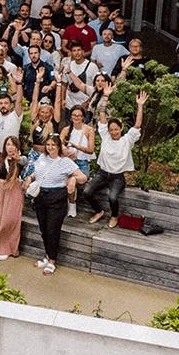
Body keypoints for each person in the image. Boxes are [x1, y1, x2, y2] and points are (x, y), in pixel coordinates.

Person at [87, 91, 148, 228]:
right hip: (102, 174)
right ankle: (99, 211)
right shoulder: (105, 137)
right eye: (111, 129)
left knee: (113, 197)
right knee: (87, 191)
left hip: (117, 177)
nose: (114, 132)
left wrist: (140, 106)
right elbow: (102, 115)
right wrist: (106, 97)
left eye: (116, 129)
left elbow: (137, 125)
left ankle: (114, 216)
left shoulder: (127, 140)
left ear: (121, 129)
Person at [29, 135, 88, 275]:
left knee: (52, 230)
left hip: (56, 198)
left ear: (59, 147)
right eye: (48, 144)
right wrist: (30, 178)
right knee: (43, 229)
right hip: (41, 197)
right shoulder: (42, 158)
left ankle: (52, 260)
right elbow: (37, 173)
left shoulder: (65, 162)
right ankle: (47, 255)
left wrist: (73, 179)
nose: (50, 147)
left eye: (53, 145)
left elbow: (83, 177)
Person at [61, 105, 96, 217]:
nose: (76, 117)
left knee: (73, 180)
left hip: (82, 163)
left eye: (79, 115)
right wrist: (67, 151)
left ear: (83, 117)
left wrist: (77, 147)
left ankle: (72, 204)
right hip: (68, 162)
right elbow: (58, 144)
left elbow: (91, 150)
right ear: (71, 117)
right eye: (74, 115)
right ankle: (70, 203)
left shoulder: (89, 130)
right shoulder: (66, 130)